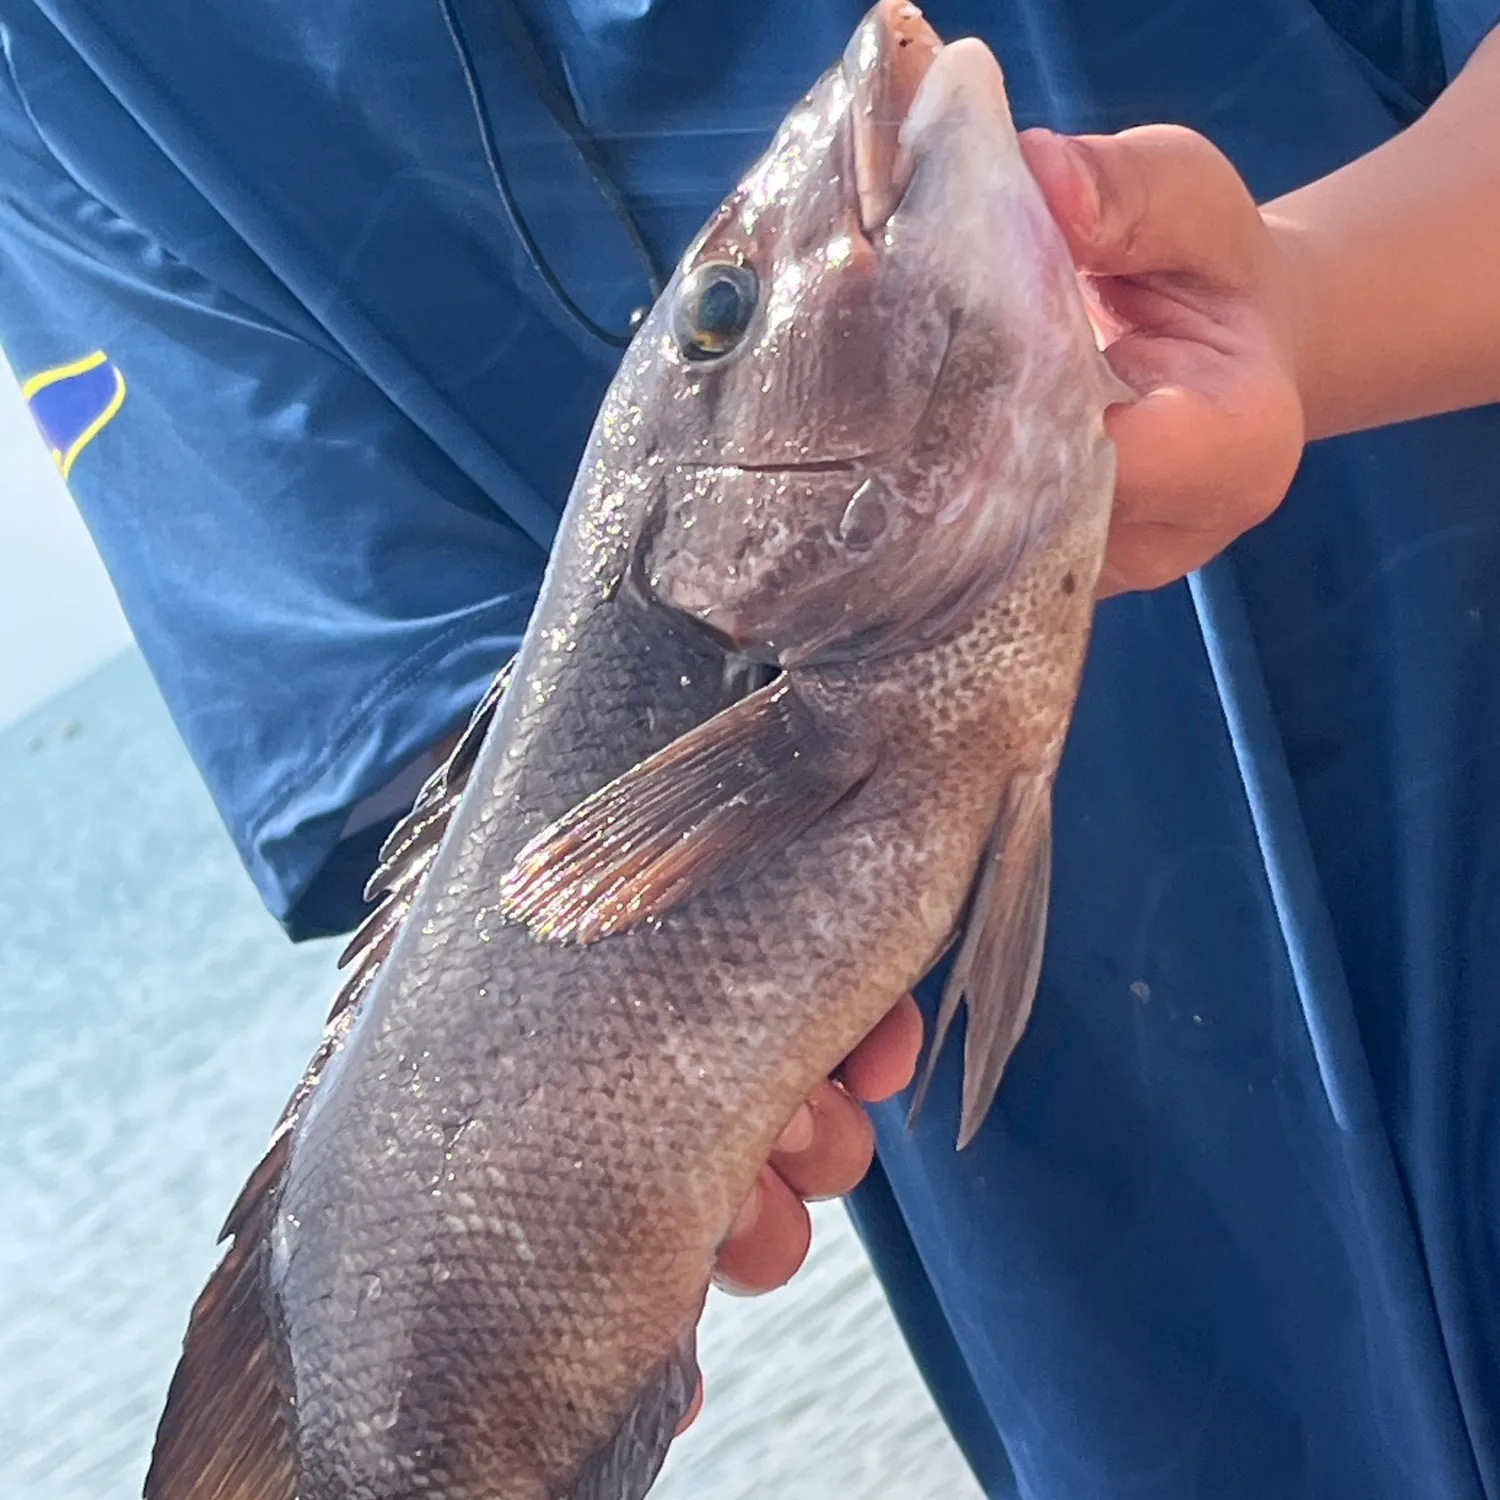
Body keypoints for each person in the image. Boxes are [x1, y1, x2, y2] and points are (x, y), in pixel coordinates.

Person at [4, 0, 1499, 1494]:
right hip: (1112, 1261)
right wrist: (627, 1126)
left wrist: (1304, 301)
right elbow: (453, 752)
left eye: (721, 308)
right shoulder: (61, 72)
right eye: (726, 313)